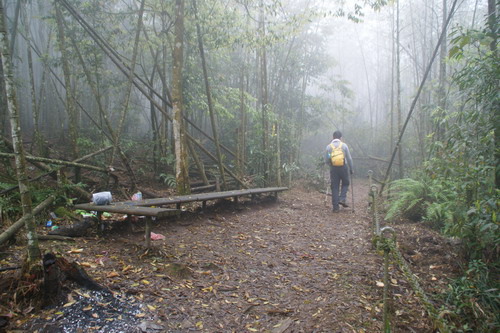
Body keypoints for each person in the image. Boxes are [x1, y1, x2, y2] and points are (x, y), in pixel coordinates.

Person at [325, 130, 353, 212]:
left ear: (333, 137)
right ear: (341, 138)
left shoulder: (329, 147)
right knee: (345, 183)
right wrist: (351, 169)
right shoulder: (344, 146)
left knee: (334, 187)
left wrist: (331, 163)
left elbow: (327, 159)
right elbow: (349, 158)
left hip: (333, 168)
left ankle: (335, 208)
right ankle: (342, 198)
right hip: (343, 167)